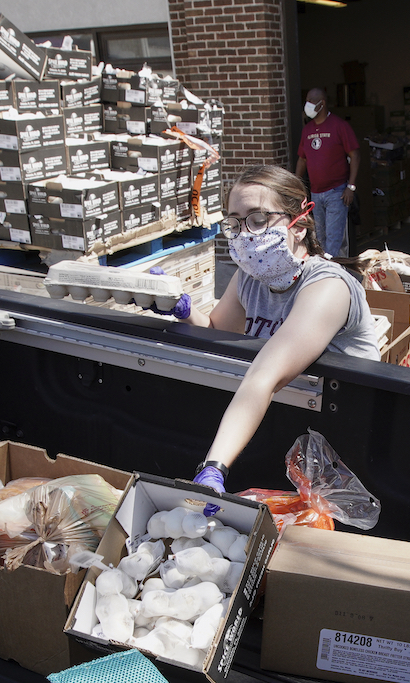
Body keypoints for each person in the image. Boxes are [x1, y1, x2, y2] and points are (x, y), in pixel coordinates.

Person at [162, 165, 380, 511]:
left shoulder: (328, 287)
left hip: (345, 445)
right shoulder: (250, 278)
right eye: (235, 222)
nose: (245, 234)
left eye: (258, 219)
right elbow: (221, 332)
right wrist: (183, 309)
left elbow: (264, 374)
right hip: (289, 430)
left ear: (301, 222)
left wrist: (214, 466)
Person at [295, 88, 359, 258]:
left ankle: (335, 276)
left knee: (333, 240)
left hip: (336, 192)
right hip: (316, 194)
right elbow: (302, 159)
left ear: (321, 103)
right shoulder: (307, 130)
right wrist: (294, 184)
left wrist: (350, 187)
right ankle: (327, 273)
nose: (306, 105)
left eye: (310, 101)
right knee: (320, 240)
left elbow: (355, 155)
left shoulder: (339, 126)